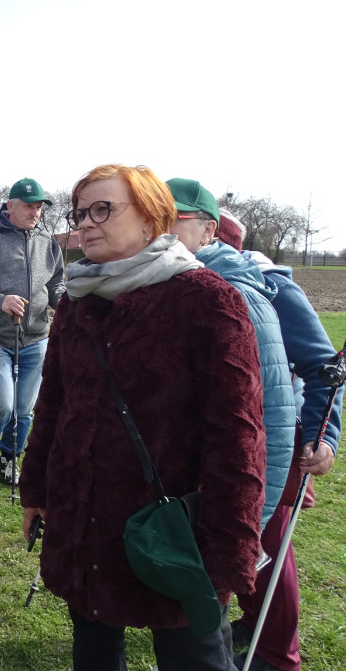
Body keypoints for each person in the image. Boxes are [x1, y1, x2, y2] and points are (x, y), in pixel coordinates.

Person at [20, 163, 266, 671]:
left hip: (171, 529)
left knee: (191, 655)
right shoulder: (77, 301)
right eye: (81, 212)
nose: (86, 222)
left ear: (152, 215)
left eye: (103, 209)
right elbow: (53, 405)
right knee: (93, 644)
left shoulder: (206, 300)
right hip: (84, 516)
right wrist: (38, 491)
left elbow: (237, 435)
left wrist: (228, 548)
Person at [216, 208, 344, 671]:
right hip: (219, 440)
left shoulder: (271, 286)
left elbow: (324, 367)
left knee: (266, 543)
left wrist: (324, 435)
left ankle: (277, 656)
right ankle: (249, 623)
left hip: (273, 438)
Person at [167, 178, 296, 533]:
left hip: (205, 505)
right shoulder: (156, 289)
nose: (157, 229)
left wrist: (248, 522)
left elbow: (272, 419)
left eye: (172, 218)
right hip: (158, 502)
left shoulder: (237, 298)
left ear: (208, 231)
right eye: (149, 215)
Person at [0, 177, 64, 488]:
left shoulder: (48, 243)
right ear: (10, 206)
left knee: (23, 409)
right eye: (29, 206)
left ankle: (10, 456)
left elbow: (56, 283)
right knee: (3, 405)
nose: (35, 213)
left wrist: (66, 304)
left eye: (39, 207)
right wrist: (0, 300)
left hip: (36, 338)